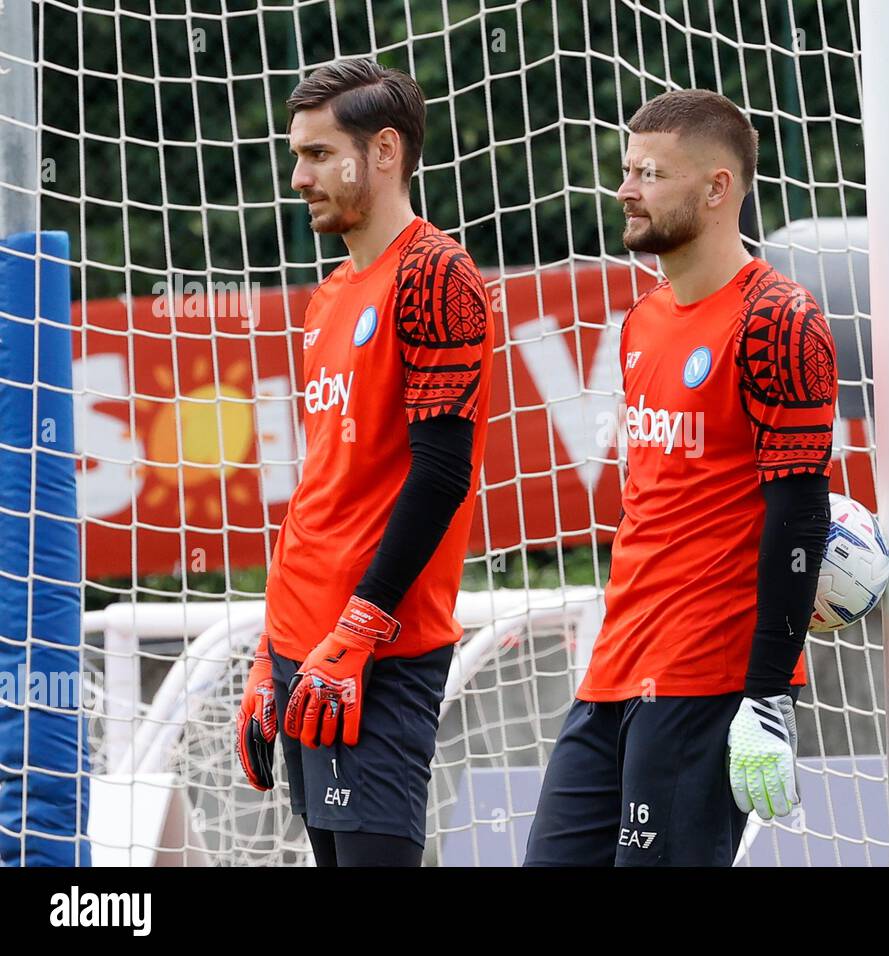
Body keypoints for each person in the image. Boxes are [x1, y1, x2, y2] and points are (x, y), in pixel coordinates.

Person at [524, 89, 837, 866]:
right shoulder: (641, 320)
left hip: (709, 681)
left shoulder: (778, 320)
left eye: (649, 173)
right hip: (614, 669)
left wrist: (766, 695)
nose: (625, 190)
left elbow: (799, 513)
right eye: (626, 170)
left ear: (717, 187)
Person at [234, 58, 493, 867]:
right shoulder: (330, 295)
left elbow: (442, 476)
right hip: (300, 649)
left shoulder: (435, 273)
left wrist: (361, 625)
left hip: (378, 650)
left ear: (384, 151)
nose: (297, 177)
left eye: (317, 154)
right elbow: (320, 487)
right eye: (296, 155)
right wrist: (264, 658)